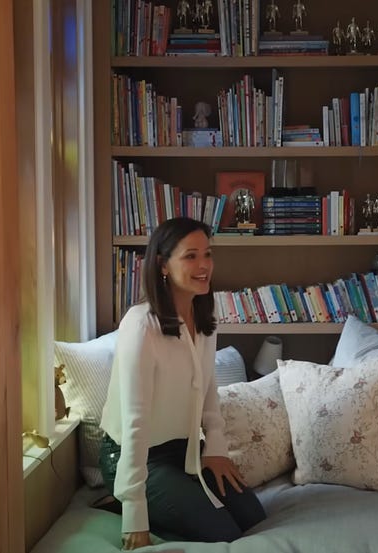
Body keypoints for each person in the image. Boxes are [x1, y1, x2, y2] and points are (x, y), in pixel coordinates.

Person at [99, 217, 266, 550]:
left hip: (186, 451)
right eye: (191, 256)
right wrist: (135, 511)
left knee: (252, 517)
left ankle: (172, 499)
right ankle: (122, 498)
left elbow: (208, 388)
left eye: (208, 254)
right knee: (224, 533)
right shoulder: (140, 325)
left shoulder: (205, 316)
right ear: (163, 264)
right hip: (136, 455)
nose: (204, 265)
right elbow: (135, 422)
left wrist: (215, 450)